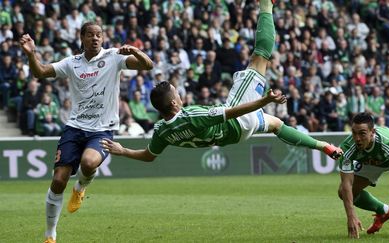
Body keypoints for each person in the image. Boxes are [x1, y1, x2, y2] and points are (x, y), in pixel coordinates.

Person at [101, 0, 342, 165]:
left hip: (234, 137)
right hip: (236, 122)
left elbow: (149, 156)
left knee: (277, 124)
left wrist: (123, 151)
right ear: (174, 103)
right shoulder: (191, 116)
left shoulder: (162, 131)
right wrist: (264, 100)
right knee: (260, 58)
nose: (181, 97)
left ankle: (324, 146)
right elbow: (233, 111)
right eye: (177, 94)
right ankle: (266, 4)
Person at [20, 22, 153, 243]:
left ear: (103, 37)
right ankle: (50, 234)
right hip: (74, 128)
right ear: (82, 37)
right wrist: (32, 53)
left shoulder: (114, 57)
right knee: (59, 180)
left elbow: (148, 66)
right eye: (90, 34)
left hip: (102, 129)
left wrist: (136, 51)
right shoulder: (72, 63)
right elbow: (40, 72)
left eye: (99, 35)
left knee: (89, 163)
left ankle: (81, 187)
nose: (95, 38)